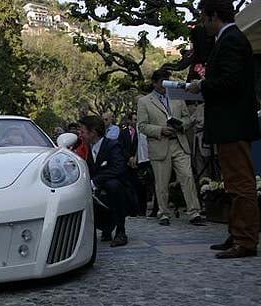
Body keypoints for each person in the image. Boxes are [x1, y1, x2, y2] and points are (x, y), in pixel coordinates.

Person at [187, 0, 260, 258]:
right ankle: (238, 232)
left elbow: (230, 82)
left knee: (240, 183)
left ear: (213, 16)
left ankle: (246, 239)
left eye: (204, 17)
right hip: (231, 123)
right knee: (233, 182)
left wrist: (202, 86)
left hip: (233, 123)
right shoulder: (230, 39)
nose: (202, 23)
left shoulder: (230, 40)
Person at [137, 69, 205, 226]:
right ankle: (163, 213)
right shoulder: (144, 102)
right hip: (160, 144)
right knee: (162, 182)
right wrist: (160, 130)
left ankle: (194, 212)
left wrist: (181, 125)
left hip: (179, 142)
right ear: (154, 83)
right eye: (161, 82)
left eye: (166, 81)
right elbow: (142, 126)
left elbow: (187, 117)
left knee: (187, 177)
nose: (163, 85)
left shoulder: (176, 97)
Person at [79, 115, 128, 247]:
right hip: (97, 189)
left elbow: (118, 168)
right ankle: (105, 227)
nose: (80, 135)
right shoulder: (87, 149)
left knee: (113, 185)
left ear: (93, 132)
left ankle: (120, 231)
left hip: (117, 189)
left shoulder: (112, 145)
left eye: (82, 132)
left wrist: (95, 181)